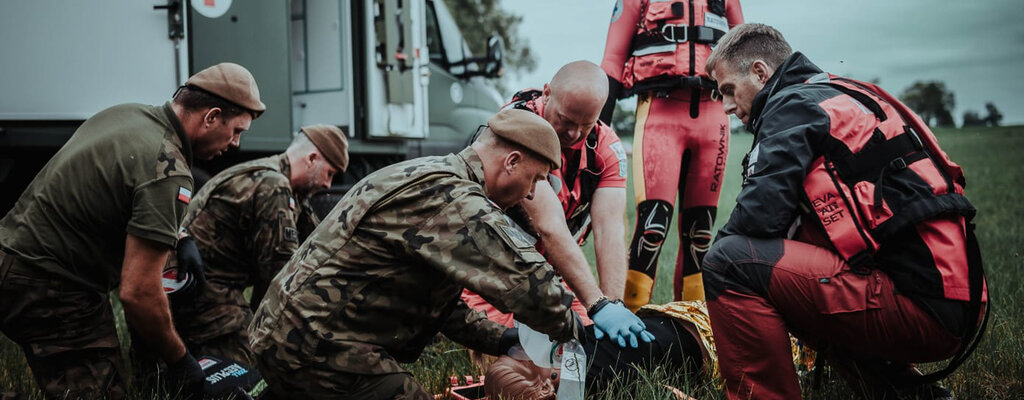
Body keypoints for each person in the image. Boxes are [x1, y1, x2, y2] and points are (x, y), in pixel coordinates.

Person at [701, 23, 987, 399]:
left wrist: (716, 259)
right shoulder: (843, 92)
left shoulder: (791, 105)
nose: (726, 106)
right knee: (794, 249)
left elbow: (759, 216)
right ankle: (904, 393)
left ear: (759, 72)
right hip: (961, 303)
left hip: (919, 308)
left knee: (728, 261)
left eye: (728, 90)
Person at [248, 109, 590, 400]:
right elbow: (529, 285)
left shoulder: (428, 173)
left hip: (288, 334)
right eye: (535, 180)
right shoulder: (455, 199)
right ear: (512, 162)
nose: (531, 193)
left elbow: (438, 303)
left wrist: (502, 338)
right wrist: (584, 333)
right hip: (315, 348)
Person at [0, 62, 265, 398]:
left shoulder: (127, 115)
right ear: (211, 117)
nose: (236, 143)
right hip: (51, 286)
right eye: (237, 130)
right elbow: (138, 293)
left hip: (9, 255)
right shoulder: (169, 171)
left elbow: (122, 190)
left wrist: (179, 236)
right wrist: (181, 360)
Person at [462, 60, 652, 348]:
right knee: (520, 353)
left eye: (586, 124)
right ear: (546, 93)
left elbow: (610, 230)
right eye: (565, 120)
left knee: (586, 341)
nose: (574, 134)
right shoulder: (517, 127)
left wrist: (611, 304)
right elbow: (549, 226)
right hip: (487, 272)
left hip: (543, 277)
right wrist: (596, 304)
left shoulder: (606, 147)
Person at [600, 0, 744, 310]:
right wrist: (598, 131)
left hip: (714, 117)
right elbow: (612, 60)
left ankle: (691, 329)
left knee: (701, 234)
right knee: (652, 227)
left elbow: (747, 56)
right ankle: (628, 323)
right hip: (659, 113)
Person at [167, 124, 348, 363]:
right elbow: (280, 277)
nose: (328, 185)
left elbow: (320, 246)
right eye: (330, 174)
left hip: (203, 285)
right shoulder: (273, 185)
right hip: (199, 290)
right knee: (259, 366)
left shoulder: (283, 184)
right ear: (312, 159)